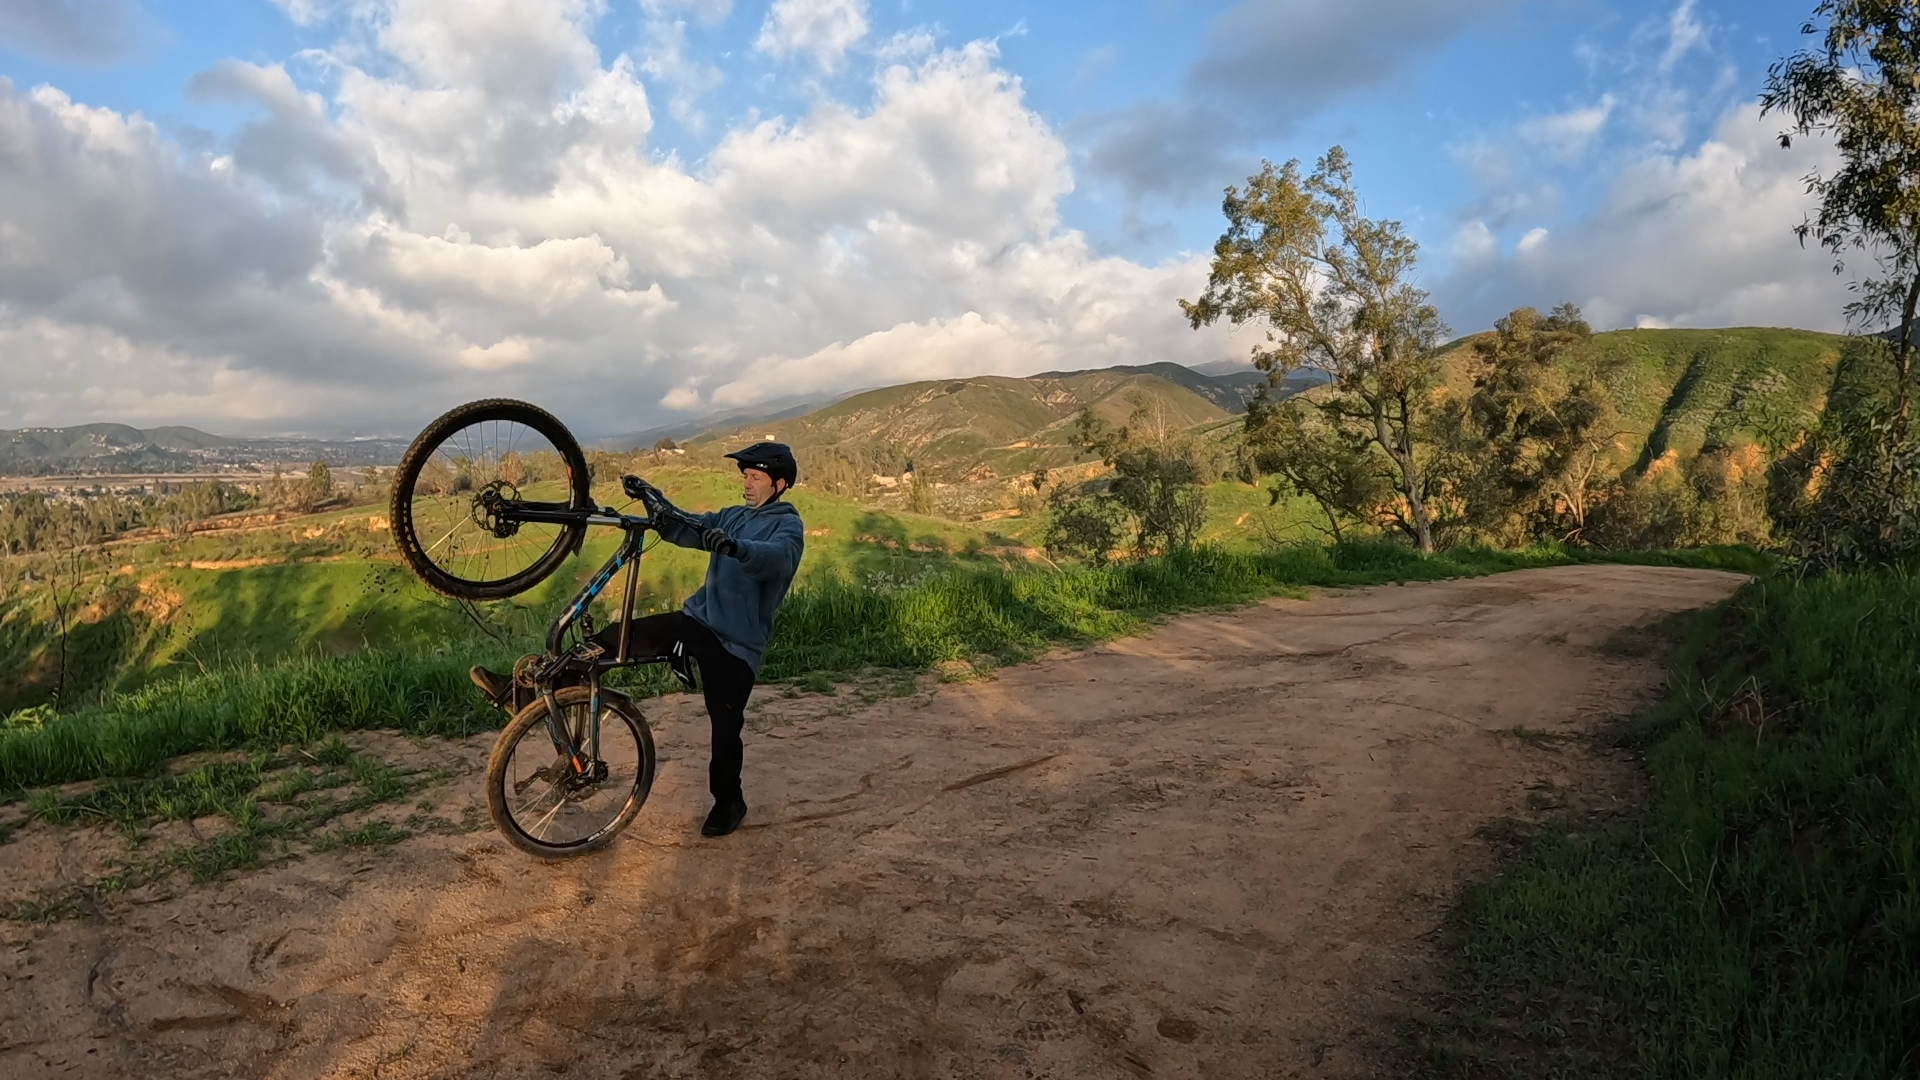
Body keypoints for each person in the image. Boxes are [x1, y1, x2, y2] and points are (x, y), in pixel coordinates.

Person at [469, 442, 805, 838]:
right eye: (745, 476)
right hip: (697, 620)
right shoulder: (733, 516)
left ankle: (730, 802)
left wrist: (739, 548)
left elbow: (778, 558)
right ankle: (523, 695)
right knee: (611, 640)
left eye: (756, 478)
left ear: (779, 484)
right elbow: (687, 526)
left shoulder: (787, 524)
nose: (747, 484)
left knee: (725, 726)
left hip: (737, 644)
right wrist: (653, 499)